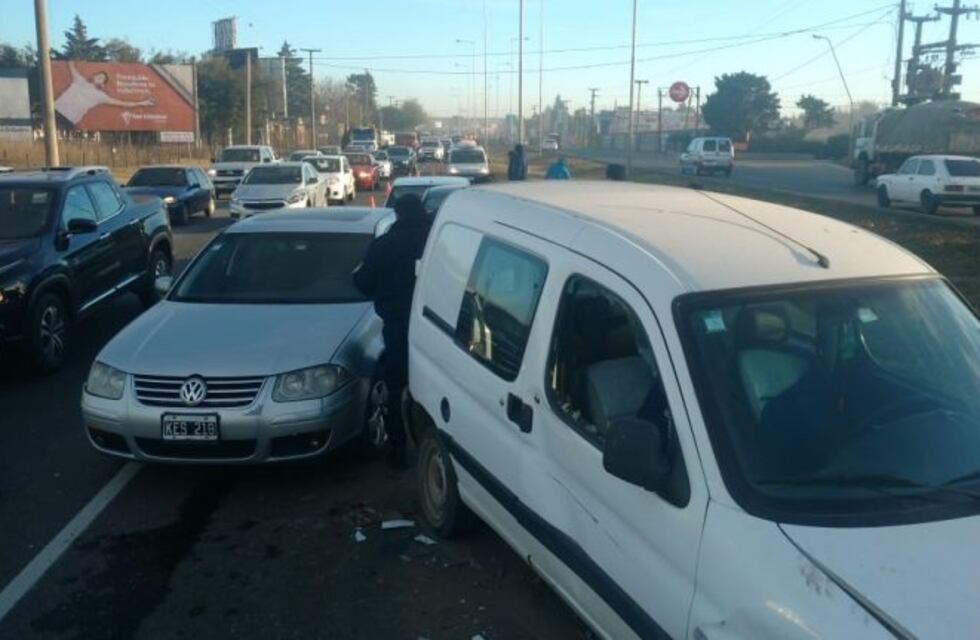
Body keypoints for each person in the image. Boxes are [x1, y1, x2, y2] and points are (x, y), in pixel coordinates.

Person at [353, 194, 432, 468]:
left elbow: (363, 283)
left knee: (397, 388)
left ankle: (398, 450)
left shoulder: (385, 245)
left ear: (397, 215)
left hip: (399, 329)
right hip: (439, 328)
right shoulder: (439, 239)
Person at [55, 61, 155, 127]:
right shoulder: (79, 79)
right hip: (54, 111)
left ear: (102, 84)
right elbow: (71, 64)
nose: (99, 77)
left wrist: (143, 103)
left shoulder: (100, 96)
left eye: (101, 78)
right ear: (93, 76)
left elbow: (123, 103)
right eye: (98, 75)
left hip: (67, 120)